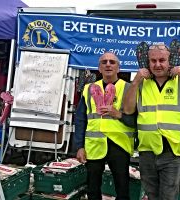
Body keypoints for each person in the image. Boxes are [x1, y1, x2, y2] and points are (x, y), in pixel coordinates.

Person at [123, 43, 180, 200]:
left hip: (171, 151)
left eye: (162, 60)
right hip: (147, 150)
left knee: (168, 196)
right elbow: (127, 110)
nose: (157, 64)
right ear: (147, 62)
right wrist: (135, 82)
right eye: (153, 60)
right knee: (151, 195)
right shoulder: (141, 82)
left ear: (171, 61)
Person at [74, 52, 136, 200]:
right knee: (93, 189)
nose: (108, 64)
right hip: (94, 146)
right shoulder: (89, 89)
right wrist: (79, 146)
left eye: (112, 62)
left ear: (119, 68)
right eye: (104, 62)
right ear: (99, 68)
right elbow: (81, 119)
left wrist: (118, 114)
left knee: (122, 189)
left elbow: (137, 120)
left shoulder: (129, 89)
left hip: (119, 144)